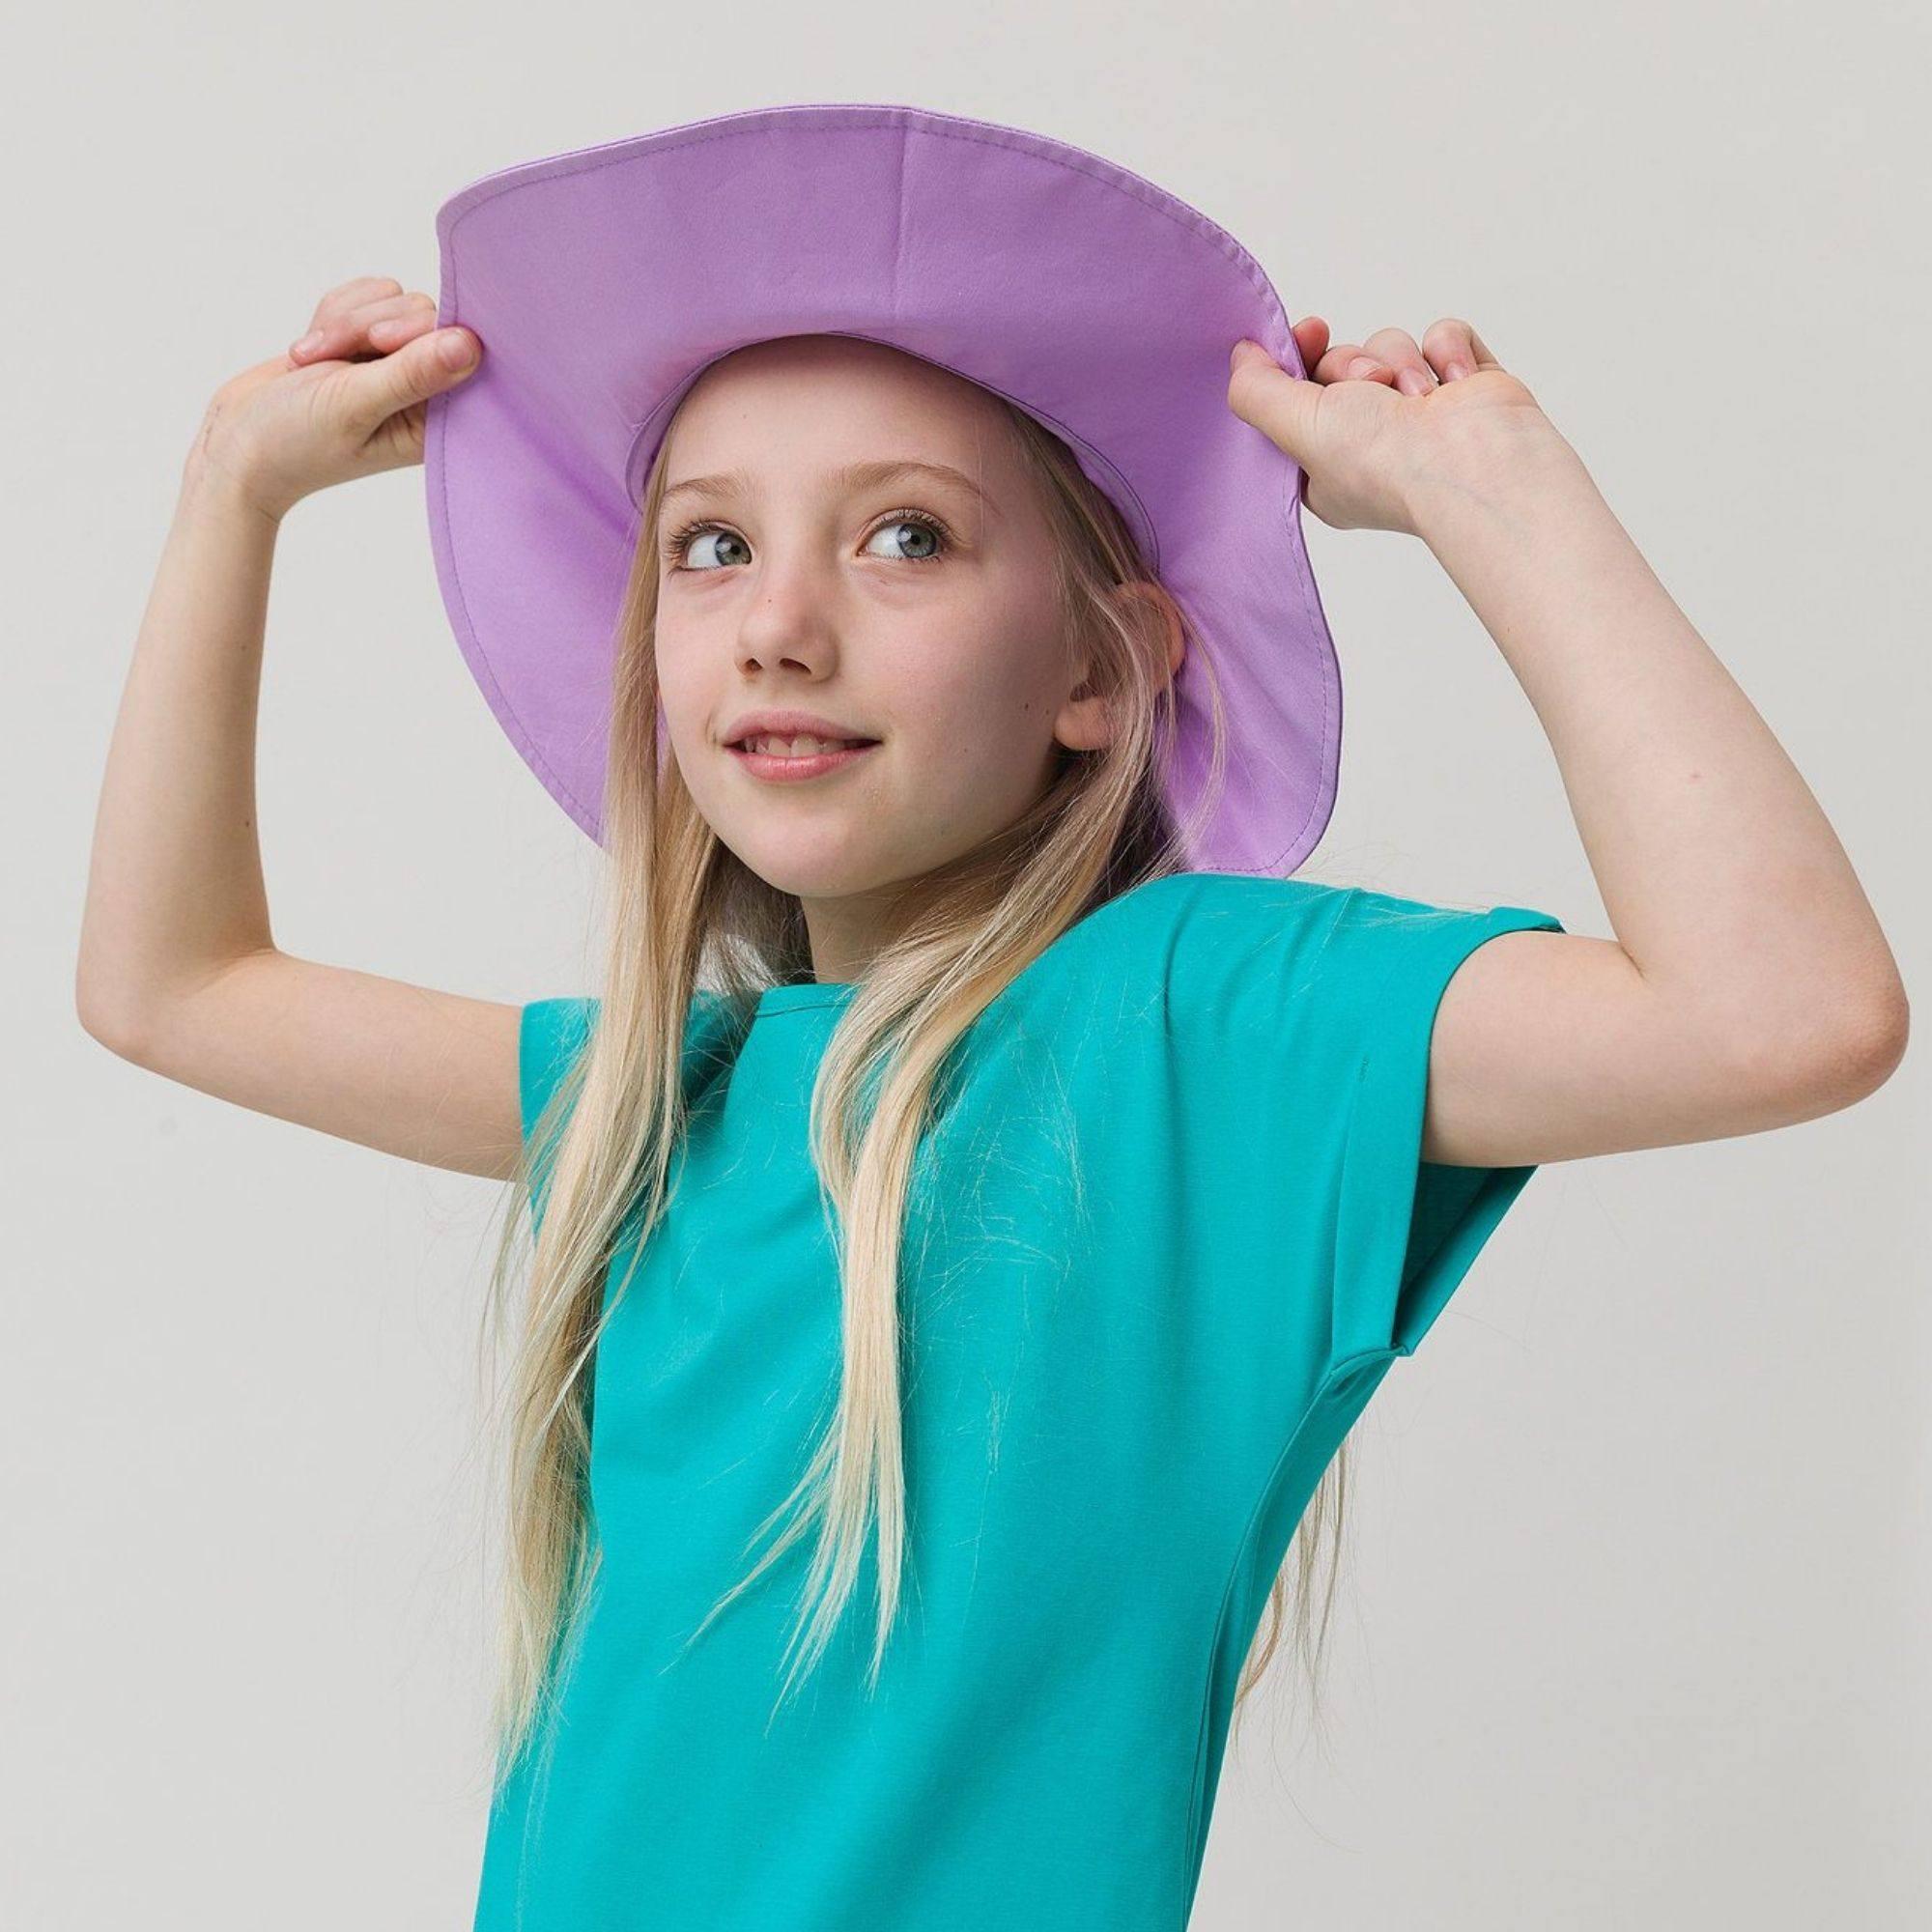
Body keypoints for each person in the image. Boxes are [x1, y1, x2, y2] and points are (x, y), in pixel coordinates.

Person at [77, 106, 1907, 1932]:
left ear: (1104, 670)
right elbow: (169, 988)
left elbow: (1783, 1013)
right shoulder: (659, 1101)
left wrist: (1496, 500)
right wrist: (230, 493)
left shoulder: (1195, 1026)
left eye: (904, 537)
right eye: (711, 549)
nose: (781, 624)